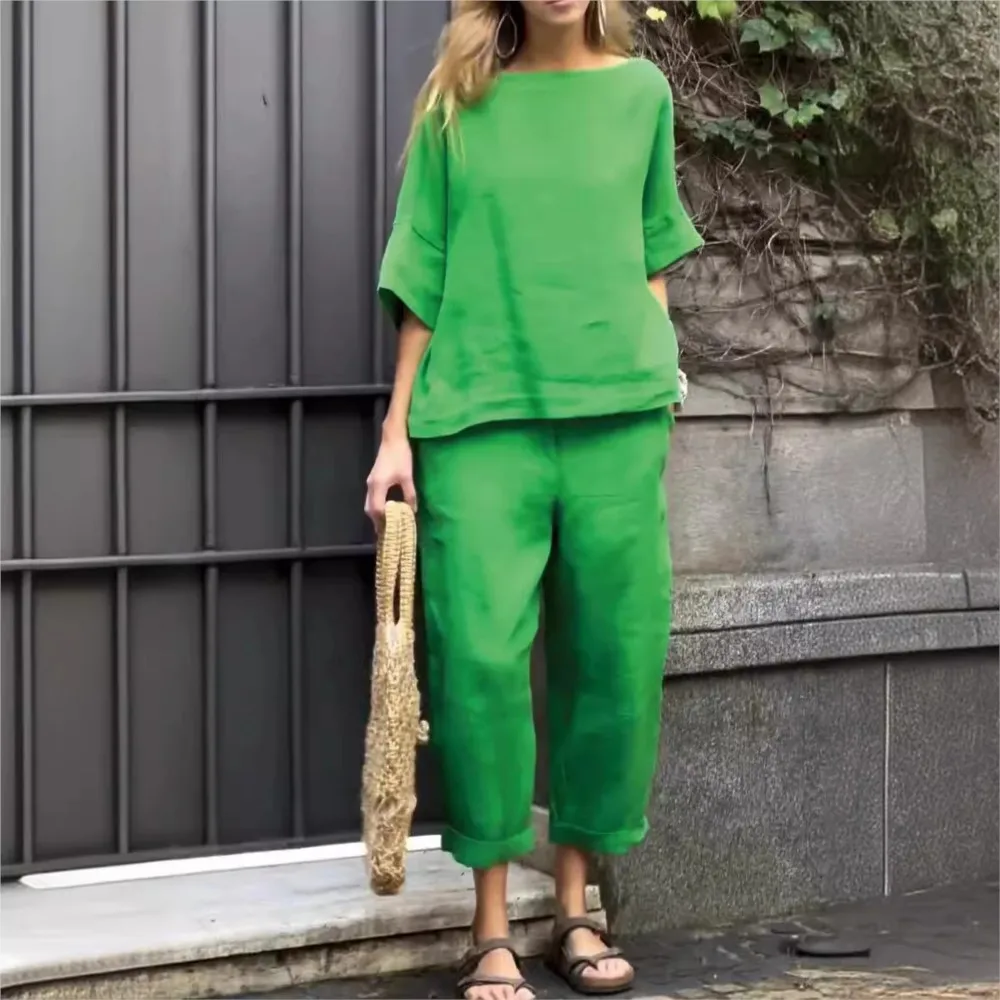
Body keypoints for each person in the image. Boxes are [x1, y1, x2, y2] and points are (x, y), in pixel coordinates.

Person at [365, 1, 702, 996]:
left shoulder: (642, 94)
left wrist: (658, 379)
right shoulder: (458, 104)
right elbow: (421, 265)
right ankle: (489, 925)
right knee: (475, 661)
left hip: (616, 413)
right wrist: (396, 429)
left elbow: (653, 254)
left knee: (612, 657)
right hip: (478, 418)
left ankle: (574, 911)